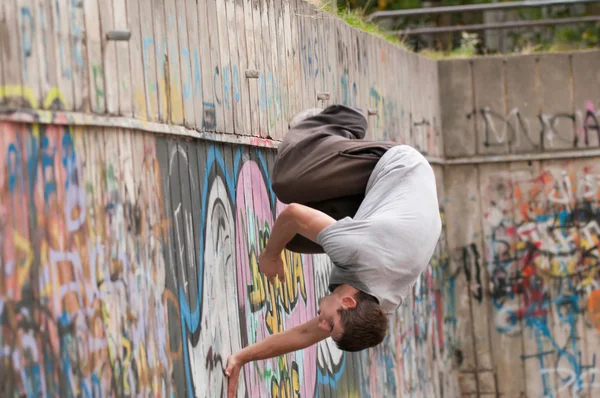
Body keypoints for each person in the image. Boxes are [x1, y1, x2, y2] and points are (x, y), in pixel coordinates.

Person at [224, 104, 442, 396]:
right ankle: (336, 123)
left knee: (296, 240)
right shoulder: (357, 251)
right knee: (288, 183)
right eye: (329, 322)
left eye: (326, 326)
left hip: (391, 206)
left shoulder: (372, 306)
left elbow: (303, 334)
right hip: (397, 166)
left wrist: (241, 358)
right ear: (349, 302)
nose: (321, 323)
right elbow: (293, 214)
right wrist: (270, 255)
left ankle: (332, 149)